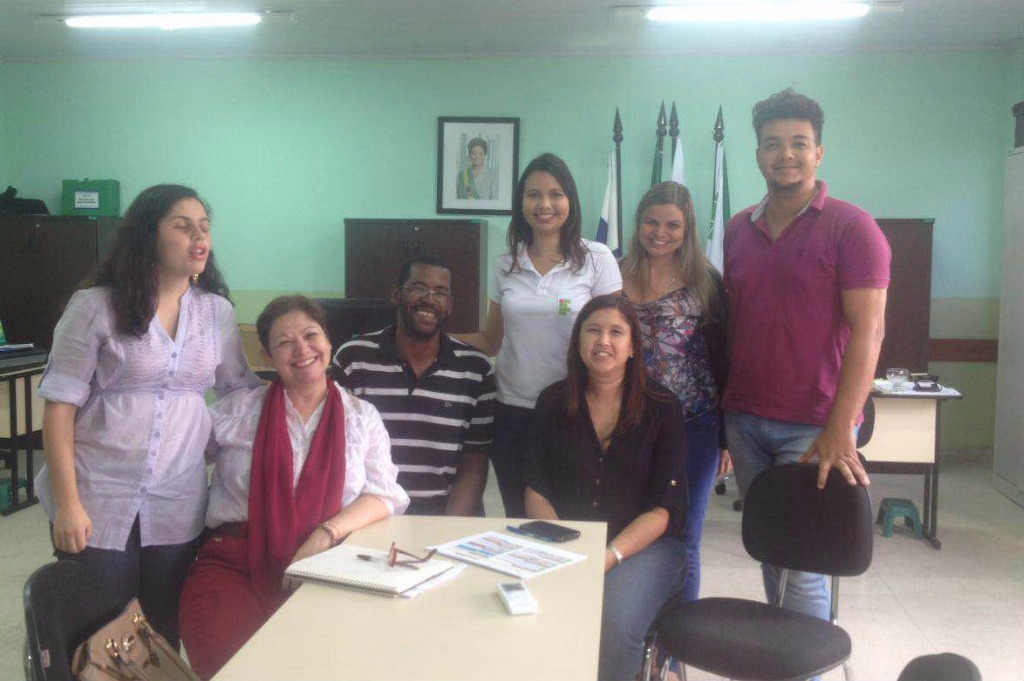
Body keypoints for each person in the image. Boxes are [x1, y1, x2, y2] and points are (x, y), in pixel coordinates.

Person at [35, 184, 258, 648]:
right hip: (97, 494)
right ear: (146, 235)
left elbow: (241, 391)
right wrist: (68, 503)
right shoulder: (95, 306)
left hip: (180, 497)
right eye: (182, 225)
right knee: (99, 636)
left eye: (204, 226)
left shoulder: (216, 312)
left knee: (162, 633)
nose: (198, 236)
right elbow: (59, 408)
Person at [723, 89, 890, 622]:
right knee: (771, 548)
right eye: (773, 144)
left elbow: (870, 331)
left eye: (799, 143)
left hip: (814, 425)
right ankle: (784, 658)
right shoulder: (737, 229)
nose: (786, 154)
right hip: (745, 418)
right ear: (757, 156)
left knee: (805, 566)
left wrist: (842, 426)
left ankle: (803, 666)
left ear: (819, 153)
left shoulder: (852, 227)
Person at [179, 296, 408, 680]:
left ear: (329, 343)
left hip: (331, 565)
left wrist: (326, 532)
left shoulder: (361, 417)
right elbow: (176, 460)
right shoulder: (238, 412)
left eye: (310, 335)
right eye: (284, 343)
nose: (301, 350)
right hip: (234, 564)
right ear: (268, 357)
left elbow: (384, 493)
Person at [525, 294, 687, 681]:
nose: (604, 341)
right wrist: (564, 548)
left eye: (617, 332)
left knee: (613, 621)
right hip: (565, 543)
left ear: (633, 346)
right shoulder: (552, 401)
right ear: (578, 341)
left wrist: (609, 556)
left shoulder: (663, 407)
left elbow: (664, 507)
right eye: (593, 330)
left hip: (642, 548)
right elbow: (537, 489)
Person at [459, 152, 622, 518]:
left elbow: (614, 341)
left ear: (570, 201)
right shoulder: (506, 263)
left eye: (555, 194)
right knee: (521, 518)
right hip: (512, 413)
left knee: (576, 518)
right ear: (521, 203)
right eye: (533, 194)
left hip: (576, 410)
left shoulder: (597, 259)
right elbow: (491, 341)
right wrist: (434, 337)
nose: (544, 204)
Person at [620, 181, 729, 603]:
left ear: (688, 229)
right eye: (651, 222)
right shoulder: (614, 273)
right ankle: (638, 627)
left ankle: (675, 653)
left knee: (685, 534)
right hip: (630, 423)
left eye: (672, 225)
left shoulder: (706, 282)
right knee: (631, 527)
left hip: (694, 426)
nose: (659, 232)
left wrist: (724, 439)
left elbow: (723, 359)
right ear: (638, 224)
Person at [332, 255, 495, 516]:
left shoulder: (475, 369)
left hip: (443, 513)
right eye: (419, 288)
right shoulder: (354, 359)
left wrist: (446, 532)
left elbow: (474, 466)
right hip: (367, 512)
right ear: (396, 294)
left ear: (450, 305)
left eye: (440, 293)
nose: (430, 299)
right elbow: (340, 453)